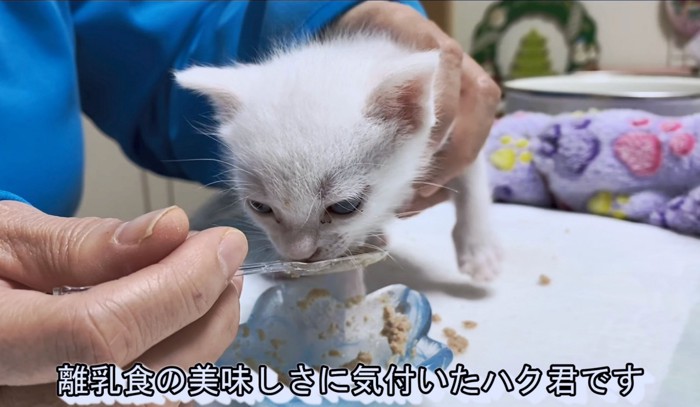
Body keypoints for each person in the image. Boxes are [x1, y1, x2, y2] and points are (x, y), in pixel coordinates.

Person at [0, 1, 500, 404]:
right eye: (262, 208)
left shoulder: (401, 94)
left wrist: (330, 8)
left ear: (409, 109)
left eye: (341, 206)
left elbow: (145, 26)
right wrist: (342, 213)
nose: (297, 251)